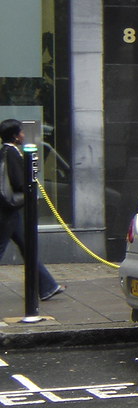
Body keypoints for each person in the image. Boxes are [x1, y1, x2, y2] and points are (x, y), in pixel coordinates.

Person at [0, 119, 64, 301]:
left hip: (10, 213)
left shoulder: (5, 152)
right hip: (7, 214)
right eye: (20, 132)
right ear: (14, 136)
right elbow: (21, 182)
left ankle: (47, 287)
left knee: (28, 248)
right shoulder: (11, 153)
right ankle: (47, 287)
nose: (23, 135)